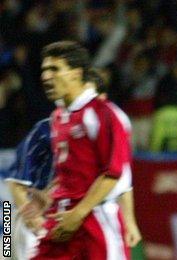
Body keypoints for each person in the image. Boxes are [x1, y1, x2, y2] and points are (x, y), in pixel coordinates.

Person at [4, 68, 142, 259]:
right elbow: (14, 181)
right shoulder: (46, 129)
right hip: (40, 219)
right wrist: (31, 219)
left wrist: (130, 221)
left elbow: (122, 182)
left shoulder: (108, 129)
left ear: (103, 98)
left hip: (83, 218)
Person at [28, 41, 133, 259]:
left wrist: (79, 213)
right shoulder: (55, 118)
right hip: (53, 218)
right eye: (44, 70)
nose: (46, 76)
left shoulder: (103, 114)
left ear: (76, 74)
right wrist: (46, 195)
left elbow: (114, 173)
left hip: (92, 219)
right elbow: (71, 170)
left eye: (54, 69)